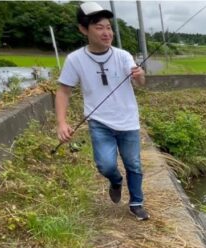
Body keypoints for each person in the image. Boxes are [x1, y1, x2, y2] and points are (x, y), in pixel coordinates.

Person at [55, 2, 150, 221]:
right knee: (105, 164)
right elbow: (63, 91)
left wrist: (139, 76)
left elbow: (141, 83)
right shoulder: (75, 60)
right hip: (99, 122)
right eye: (99, 27)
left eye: (108, 27)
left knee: (133, 163)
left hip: (128, 120)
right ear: (83, 29)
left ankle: (136, 203)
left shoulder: (123, 55)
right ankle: (115, 181)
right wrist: (62, 122)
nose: (106, 32)